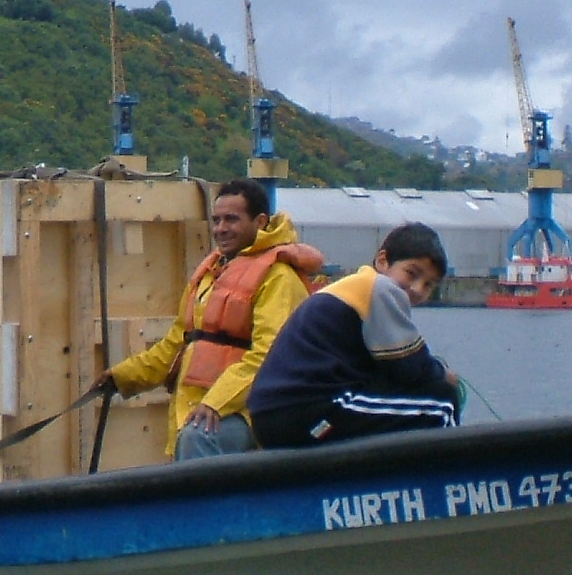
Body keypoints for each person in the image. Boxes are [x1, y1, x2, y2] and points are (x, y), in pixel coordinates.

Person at [96, 178, 323, 460]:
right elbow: (177, 344)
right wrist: (122, 378)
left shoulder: (279, 278)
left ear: (260, 221)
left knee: (198, 438)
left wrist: (216, 403)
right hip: (202, 407)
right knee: (193, 438)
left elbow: (269, 356)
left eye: (231, 219)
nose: (220, 229)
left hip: (251, 412)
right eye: (216, 220)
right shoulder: (212, 274)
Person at [247, 222, 461, 448]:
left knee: (396, 402)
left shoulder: (353, 288)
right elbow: (410, 369)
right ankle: (456, 479)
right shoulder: (379, 288)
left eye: (428, 285)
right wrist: (443, 373)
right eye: (411, 273)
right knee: (441, 403)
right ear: (382, 261)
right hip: (306, 413)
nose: (417, 288)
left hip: (274, 417)